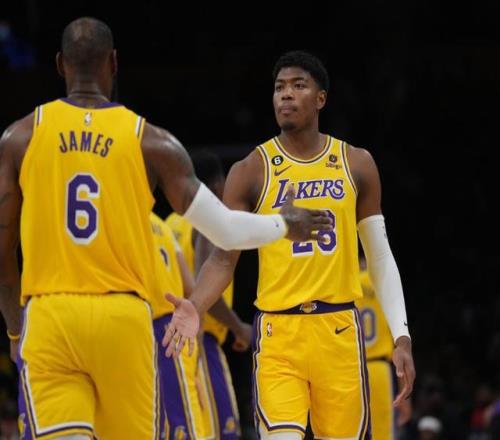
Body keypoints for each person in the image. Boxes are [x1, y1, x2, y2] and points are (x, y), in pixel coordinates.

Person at [0, 18, 331, 439]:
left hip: (50, 316)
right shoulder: (151, 141)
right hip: (123, 318)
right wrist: (285, 223)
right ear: (113, 63)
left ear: (61, 64)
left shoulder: (20, 137)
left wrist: (16, 329)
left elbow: (3, 254)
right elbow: (226, 230)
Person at [164, 50, 416, 439]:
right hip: (279, 331)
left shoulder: (357, 163)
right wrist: (195, 305)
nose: (286, 94)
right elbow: (222, 258)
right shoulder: (251, 169)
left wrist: (401, 335)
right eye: (279, 87)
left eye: (299, 85)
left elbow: (380, 257)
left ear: (321, 98)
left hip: (339, 329)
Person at [167, 150, 252, 439]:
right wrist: (239, 327)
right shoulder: (206, 222)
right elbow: (206, 295)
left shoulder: (170, 224)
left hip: (168, 340)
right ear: (218, 184)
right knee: (222, 432)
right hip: (200, 339)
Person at [150, 212, 211, 439]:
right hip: (169, 325)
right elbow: (190, 286)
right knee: (184, 424)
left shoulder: (123, 217)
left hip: (141, 323)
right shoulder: (162, 226)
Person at [356, 254, 412, 439]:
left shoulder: (346, 284)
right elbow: (399, 348)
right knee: (382, 435)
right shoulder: (382, 285)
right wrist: (404, 396)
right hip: (378, 368)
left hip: (348, 369)